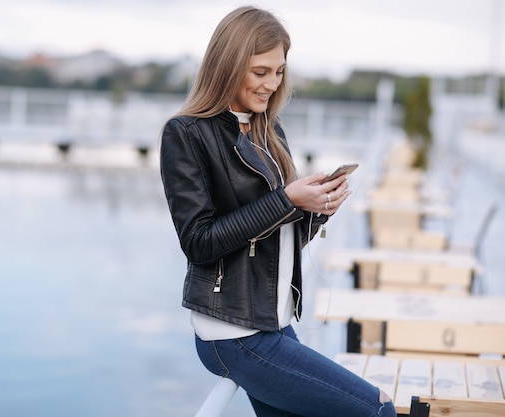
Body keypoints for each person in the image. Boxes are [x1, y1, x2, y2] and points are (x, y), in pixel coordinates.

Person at [159, 5, 396, 417]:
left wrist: (317, 209)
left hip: (274, 325)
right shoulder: (186, 134)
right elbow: (199, 243)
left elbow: (277, 239)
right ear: (228, 65)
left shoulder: (270, 129)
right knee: (378, 409)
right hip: (233, 334)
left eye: (279, 71)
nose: (272, 83)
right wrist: (287, 199)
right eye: (260, 71)